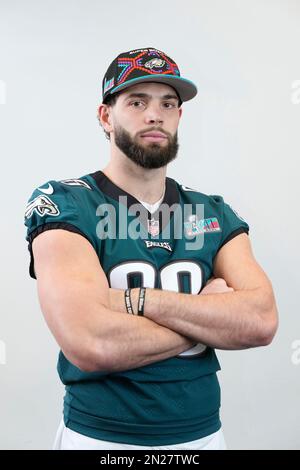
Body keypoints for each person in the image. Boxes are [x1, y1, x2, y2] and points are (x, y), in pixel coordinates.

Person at [24, 47, 278, 450]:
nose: (155, 114)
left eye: (168, 103)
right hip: (101, 439)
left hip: (203, 438)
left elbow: (261, 321)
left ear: (179, 117)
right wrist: (206, 318)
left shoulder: (211, 210)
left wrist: (132, 300)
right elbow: (91, 343)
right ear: (106, 116)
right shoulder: (66, 202)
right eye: (137, 101)